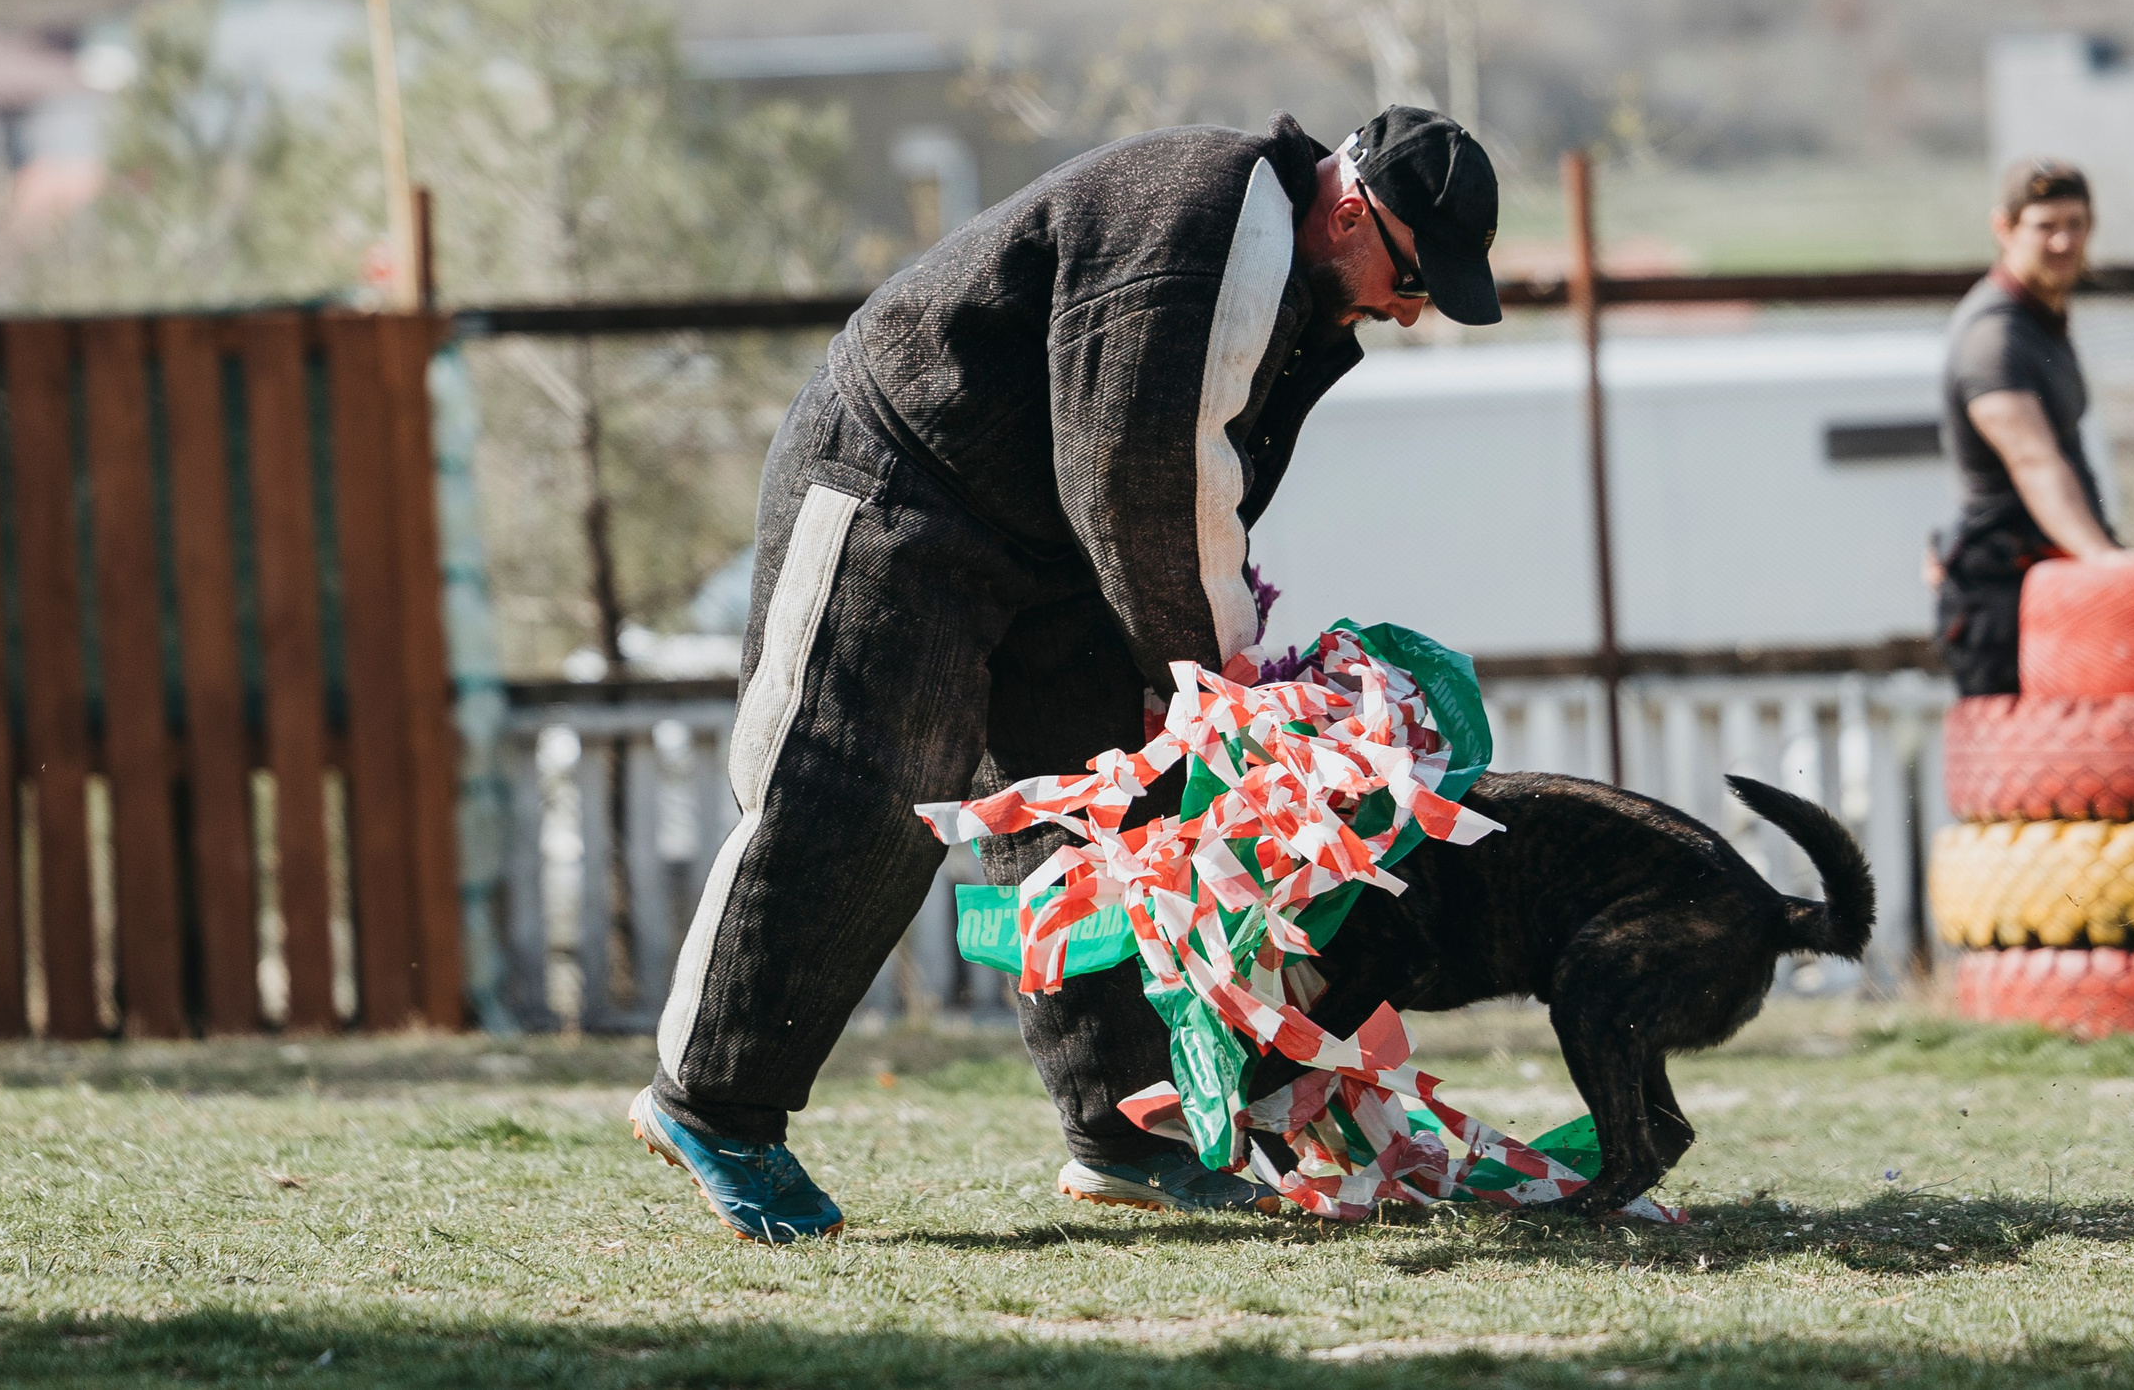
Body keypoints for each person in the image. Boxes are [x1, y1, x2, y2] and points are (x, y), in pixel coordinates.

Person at [627, 107, 1502, 1240]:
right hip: (902, 486)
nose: (1409, 308)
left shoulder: (1281, 268)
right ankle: (712, 1106)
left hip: (1050, 547)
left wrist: (1188, 676)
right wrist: (1218, 679)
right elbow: (1143, 480)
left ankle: (1128, 1129)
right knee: (856, 794)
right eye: (1412, 276)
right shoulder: (1210, 224)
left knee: (1102, 827)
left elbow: (1188, 481)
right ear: (1348, 211)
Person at [1931, 158, 2133, 696]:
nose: (2064, 242)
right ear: (2004, 228)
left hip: (2050, 586)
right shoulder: (1994, 339)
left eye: (2076, 224)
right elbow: (2033, 460)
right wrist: (2103, 558)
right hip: (2002, 597)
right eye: (2046, 226)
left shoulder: (2043, 320)